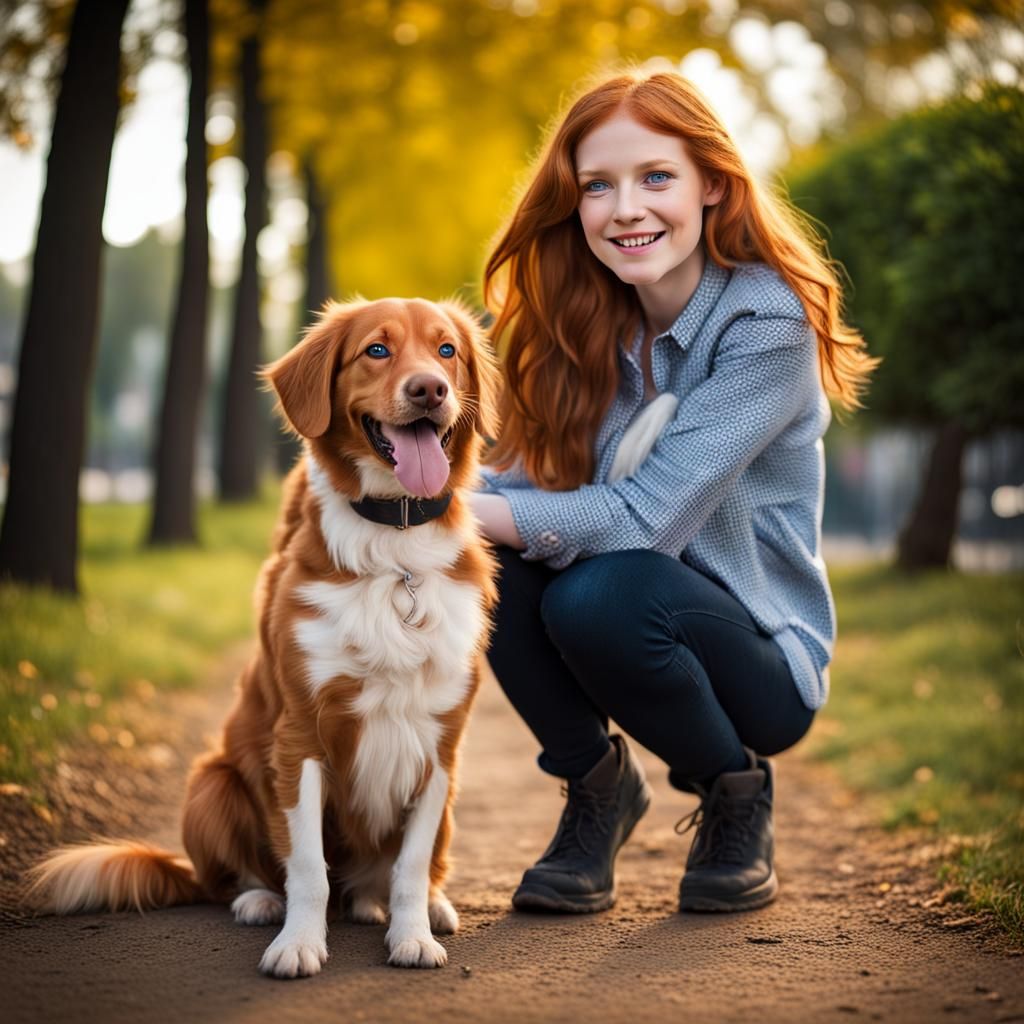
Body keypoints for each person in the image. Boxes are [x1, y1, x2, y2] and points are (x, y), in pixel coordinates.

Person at [467, 69, 876, 915]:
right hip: (624, 597)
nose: (626, 210)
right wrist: (432, 507)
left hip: (760, 659)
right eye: (598, 186)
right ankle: (595, 790)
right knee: (483, 557)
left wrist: (459, 513)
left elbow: (646, 520)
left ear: (713, 185)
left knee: (599, 590)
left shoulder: (766, 322)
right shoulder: (582, 317)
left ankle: (735, 792)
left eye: (656, 177)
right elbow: (519, 480)